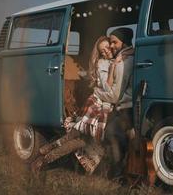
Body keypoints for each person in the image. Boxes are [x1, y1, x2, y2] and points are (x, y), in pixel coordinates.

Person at [31, 36, 120, 174]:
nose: (107, 51)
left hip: (102, 107)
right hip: (96, 107)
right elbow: (107, 87)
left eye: (108, 47)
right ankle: (44, 157)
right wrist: (113, 67)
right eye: (102, 51)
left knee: (79, 141)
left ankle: (45, 154)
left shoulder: (114, 60)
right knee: (77, 136)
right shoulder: (103, 63)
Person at [94, 28, 135, 179]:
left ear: (124, 42)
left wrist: (96, 92)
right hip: (127, 108)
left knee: (111, 132)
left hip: (126, 109)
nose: (111, 46)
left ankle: (117, 173)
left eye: (114, 42)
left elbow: (115, 96)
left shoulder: (123, 63)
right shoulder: (125, 57)